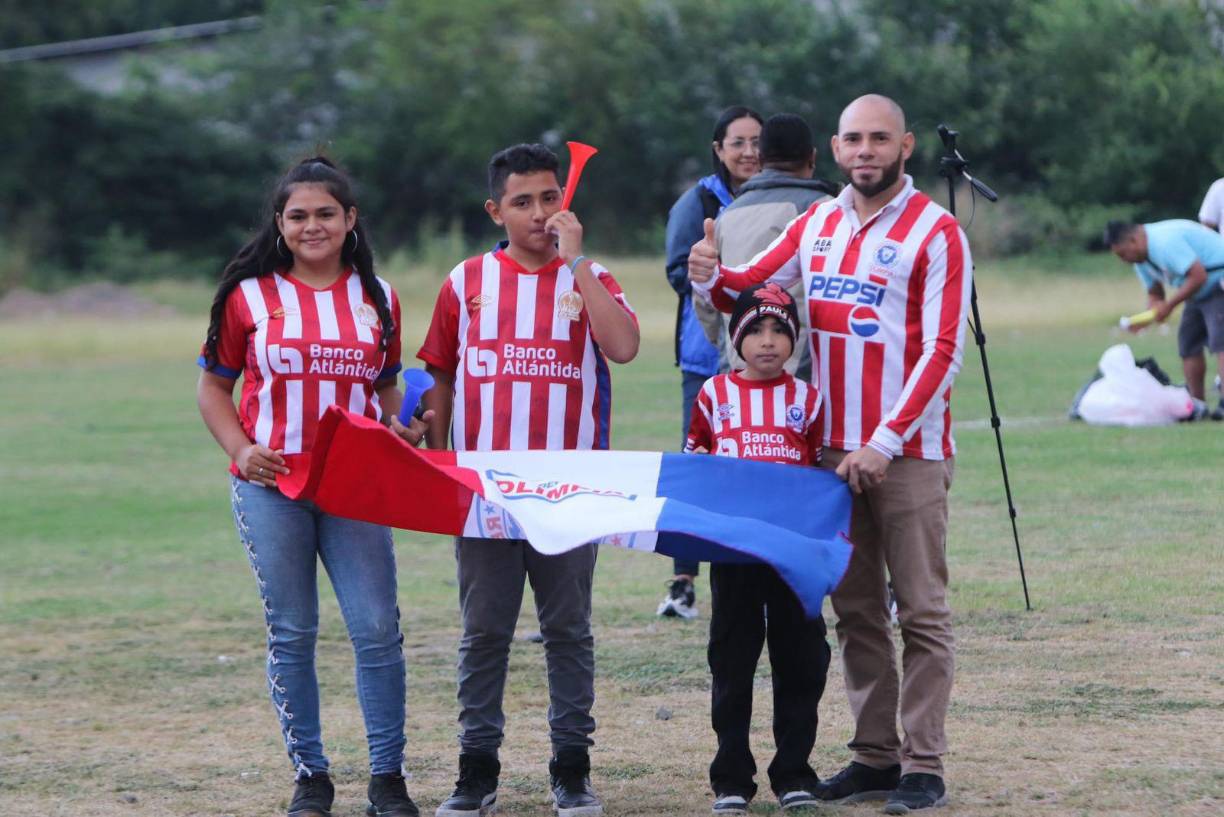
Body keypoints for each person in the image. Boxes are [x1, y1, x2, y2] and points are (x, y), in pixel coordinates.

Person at [689, 94, 972, 814]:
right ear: (836, 150)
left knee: (921, 612)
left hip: (906, 451)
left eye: (879, 137)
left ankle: (923, 764)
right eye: (853, 139)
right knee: (855, 611)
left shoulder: (936, 230)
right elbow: (749, 287)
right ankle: (875, 756)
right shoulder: (818, 220)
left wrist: (884, 440)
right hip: (829, 455)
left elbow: (943, 351)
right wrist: (708, 273)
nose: (865, 150)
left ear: (905, 145)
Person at [197, 157, 429, 817]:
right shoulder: (249, 296)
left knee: (377, 628)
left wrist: (402, 426)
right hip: (273, 488)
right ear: (280, 223)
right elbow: (213, 387)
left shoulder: (378, 296)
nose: (313, 226)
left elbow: (386, 387)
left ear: (350, 218)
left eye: (326, 212)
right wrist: (241, 449)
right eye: (298, 215)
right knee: (293, 631)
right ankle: (311, 777)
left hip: (355, 488)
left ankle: (387, 780)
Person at [417, 143, 639, 817]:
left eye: (550, 198)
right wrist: (437, 457)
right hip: (484, 491)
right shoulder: (466, 280)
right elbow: (440, 373)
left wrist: (578, 262)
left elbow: (624, 347)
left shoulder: (591, 275)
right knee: (484, 632)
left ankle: (571, 768)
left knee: (568, 630)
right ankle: (476, 768)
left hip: (569, 490)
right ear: (496, 211)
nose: (539, 213)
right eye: (523, 202)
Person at [685, 284, 827, 815]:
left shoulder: (808, 399)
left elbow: (819, 475)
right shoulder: (713, 394)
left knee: (801, 659)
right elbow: (695, 461)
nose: (768, 341)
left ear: (794, 340)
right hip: (735, 553)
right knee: (732, 660)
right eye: (755, 330)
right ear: (736, 339)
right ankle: (731, 778)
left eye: (779, 331)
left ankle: (793, 773)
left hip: (792, 556)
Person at [659, 105, 763, 619]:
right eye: (737, 142)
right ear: (718, 149)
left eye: (757, 141)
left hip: (771, 353)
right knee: (697, 461)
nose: (749, 152)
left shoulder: (778, 197)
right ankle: (683, 580)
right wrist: (726, 279)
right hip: (707, 356)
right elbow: (678, 271)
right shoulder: (697, 201)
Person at [694, 112, 839, 379]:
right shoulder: (827, 212)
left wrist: (733, 346)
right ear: (813, 157)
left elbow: (707, 303)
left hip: (741, 371)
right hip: (804, 374)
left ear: (760, 159)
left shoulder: (726, 215)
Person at [1105, 219, 1224, 419]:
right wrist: (1148, 316)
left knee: (1220, 343)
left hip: (1218, 282)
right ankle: (1197, 404)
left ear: (1133, 240)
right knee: (1188, 344)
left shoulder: (1164, 243)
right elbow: (1155, 293)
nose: (1123, 260)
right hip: (1197, 291)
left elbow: (1198, 275)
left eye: (1123, 254)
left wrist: (1169, 306)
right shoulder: (1141, 260)